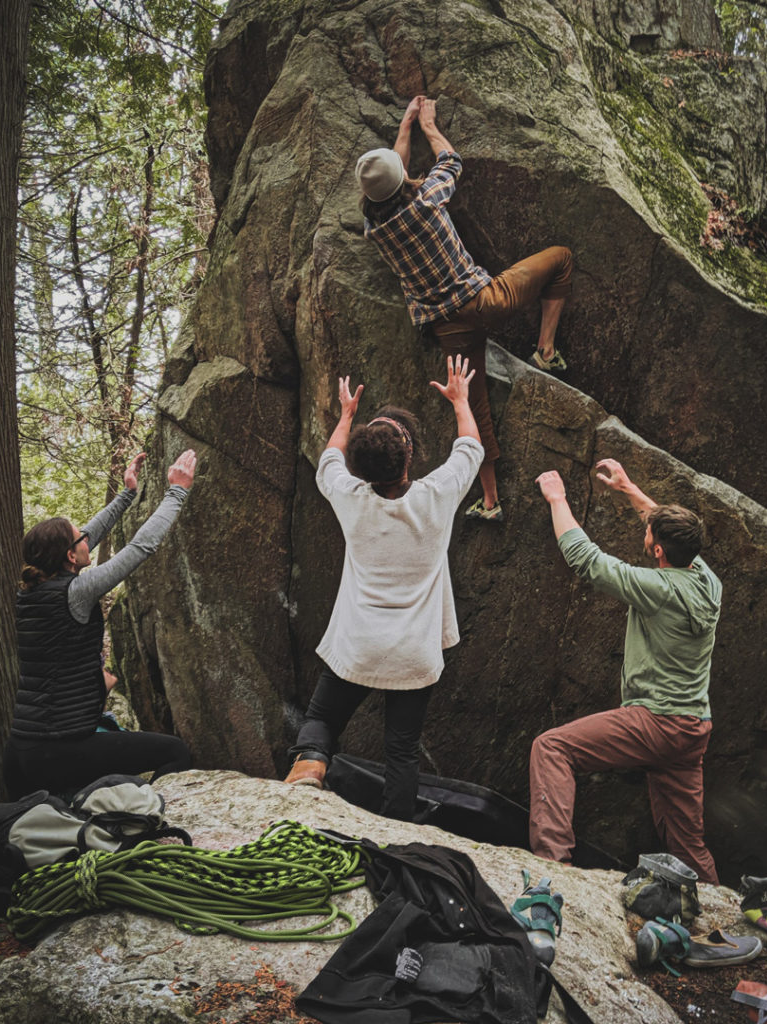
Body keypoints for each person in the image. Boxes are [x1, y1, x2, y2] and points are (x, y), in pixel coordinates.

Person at [355, 94, 573, 523]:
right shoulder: (428, 199)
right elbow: (451, 161)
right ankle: (545, 352)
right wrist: (428, 126)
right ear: (402, 180)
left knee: (473, 409)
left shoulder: (375, 229)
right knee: (561, 258)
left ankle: (491, 501)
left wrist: (404, 129)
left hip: (446, 327)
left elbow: (392, 182)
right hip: (485, 301)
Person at [285, 356, 484, 821]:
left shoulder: (350, 499)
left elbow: (329, 460)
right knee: (401, 751)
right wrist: (460, 400)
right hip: (414, 653)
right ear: (409, 456)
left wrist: (347, 414)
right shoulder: (436, 496)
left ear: (361, 468)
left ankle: (310, 766)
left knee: (322, 721)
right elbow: (470, 447)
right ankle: (396, 832)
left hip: (358, 646)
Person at [530, 458, 722, 883]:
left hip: (655, 722)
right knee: (689, 847)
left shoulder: (657, 588)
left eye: (649, 531)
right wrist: (630, 488)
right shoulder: (708, 581)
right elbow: (669, 530)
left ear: (657, 551)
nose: (646, 529)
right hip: (692, 729)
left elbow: (588, 560)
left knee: (552, 748)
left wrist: (557, 499)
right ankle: (718, 920)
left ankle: (552, 870)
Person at [3, 450, 197, 799]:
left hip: (20, 751)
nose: (87, 539)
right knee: (175, 752)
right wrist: (177, 491)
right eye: (80, 539)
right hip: (59, 750)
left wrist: (127, 495)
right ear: (68, 555)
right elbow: (141, 547)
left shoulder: (31, 593)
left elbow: (86, 535)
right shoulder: (77, 592)